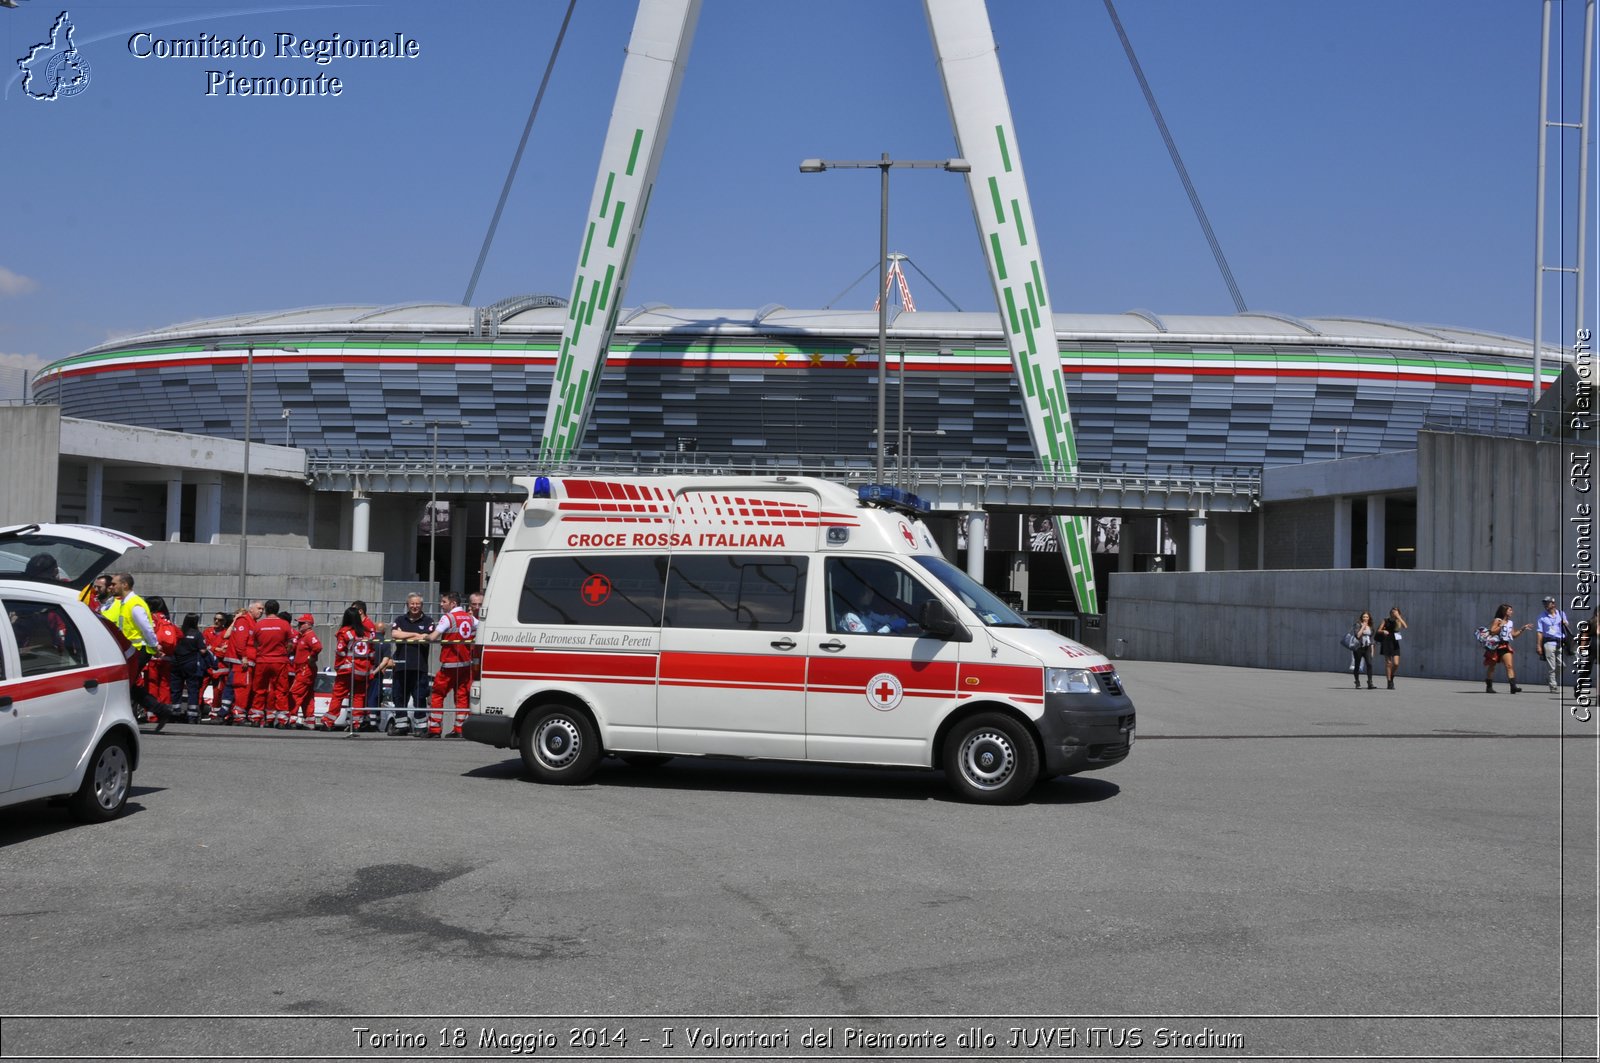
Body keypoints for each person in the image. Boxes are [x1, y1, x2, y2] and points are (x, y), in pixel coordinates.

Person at [99, 572, 175, 732]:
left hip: (138, 650)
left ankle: (132, 717)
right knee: (129, 685)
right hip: (131, 651)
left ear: (124, 585)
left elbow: (146, 628)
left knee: (124, 684)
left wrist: (154, 647)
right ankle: (161, 710)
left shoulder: (134, 603)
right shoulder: (126, 603)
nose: (111, 586)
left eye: (114, 584)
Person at [423, 591, 477, 737]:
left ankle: (434, 729)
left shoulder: (448, 618)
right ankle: (459, 729)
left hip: (449, 665)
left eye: (444, 602)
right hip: (465, 665)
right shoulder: (470, 618)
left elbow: (433, 636)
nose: (441, 604)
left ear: (453, 603)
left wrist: (423, 636)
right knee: (461, 697)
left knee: (437, 694)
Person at [325, 606, 373, 730]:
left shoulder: (345, 632)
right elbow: (372, 652)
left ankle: (328, 721)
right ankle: (356, 723)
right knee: (359, 696)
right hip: (363, 670)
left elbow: (340, 651)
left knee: (338, 695)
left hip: (347, 669)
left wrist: (338, 667)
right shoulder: (367, 632)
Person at [389, 593, 433, 715]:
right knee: (399, 698)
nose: (415, 606)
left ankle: (421, 727)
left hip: (419, 667)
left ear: (422, 605)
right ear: (407, 605)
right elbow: (394, 634)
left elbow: (426, 638)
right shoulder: (400, 620)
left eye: (417, 603)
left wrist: (405, 635)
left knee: (419, 698)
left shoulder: (428, 621)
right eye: (412, 603)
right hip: (401, 666)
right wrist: (416, 635)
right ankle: (401, 726)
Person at [253, 600, 294, 726]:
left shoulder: (258, 625)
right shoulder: (285, 624)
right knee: (281, 689)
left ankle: (256, 717)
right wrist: (283, 653)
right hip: (280, 661)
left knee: (259, 689)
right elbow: (290, 644)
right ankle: (282, 719)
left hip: (262, 660)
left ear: (265, 610)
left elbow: (255, 643)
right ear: (277, 610)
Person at [1484, 603, 1531, 694]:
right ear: (1504, 611)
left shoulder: (1510, 622)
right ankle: (1489, 686)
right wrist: (1501, 625)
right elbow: (1492, 631)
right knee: (1492, 667)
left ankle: (1513, 686)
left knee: (1509, 666)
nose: (1512, 612)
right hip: (1495, 646)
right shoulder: (1497, 620)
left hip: (1505, 645)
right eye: (1510, 610)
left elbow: (1513, 635)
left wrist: (1522, 629)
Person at [289, 614, 323, 727]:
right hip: (302, 668)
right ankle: (309, 719)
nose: (299, 625)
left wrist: (311, 657)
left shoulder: (309, 635)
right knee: (307, 695)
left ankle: (292, 717)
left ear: (308, 625)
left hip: (305, 669)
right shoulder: (302, 636)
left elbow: (318, 647)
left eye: (301, 623)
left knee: (295, 693)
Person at [172, 613, 206, 722]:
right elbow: (203, 650)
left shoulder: (178, 632)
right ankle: (192, 716)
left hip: (176, 663)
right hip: (191, 664)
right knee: (193, 690)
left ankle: (175, 713)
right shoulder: (197, 634)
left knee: (176, 689)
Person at [1535, 595, 1571, 693]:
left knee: (1562, 665)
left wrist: (1564, 622)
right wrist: (1538, 645)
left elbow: (1567, 624)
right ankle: (1553, 685)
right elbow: (1539, 632)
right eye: (1544, 603)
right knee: (1552, 666)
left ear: (1553, 604)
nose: (1545, 605)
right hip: (1548, 642)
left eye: (1547, 603)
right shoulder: (1541, 616)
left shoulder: (1561, 613)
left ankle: (1550, 678)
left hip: (1559, 641)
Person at [202, 611, 233, 721]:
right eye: (215, 619)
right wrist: (216, 648)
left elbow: (224, 652)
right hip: (206, 666)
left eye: (220, 620)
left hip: (220, 668)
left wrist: (211, 648)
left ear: (224, 622)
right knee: (200, 689)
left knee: (218, 691)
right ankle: (198, 710)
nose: (216, 621)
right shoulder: (207, 632)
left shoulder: (227, 634)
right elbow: (203, 648)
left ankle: (215, 713)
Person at [1375, 606, 1407, 690]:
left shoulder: (1398, 620)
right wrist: (1383, 631)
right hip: (1386, 641)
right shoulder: (1386, 620)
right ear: (1390, 613)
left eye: (1396, 612)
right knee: (1388, 663)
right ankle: (1389, 682)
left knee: (1396, 664)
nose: (1394, 613)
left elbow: (1405, 626)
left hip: (1395, 642)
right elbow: (1378, 630)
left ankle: (1391, 675)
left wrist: (1399, 617)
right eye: (1393, 612)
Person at [1347, 610, 1375, 689]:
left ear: (1369, 618)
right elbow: (1358, 636)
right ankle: (1357, 682)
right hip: (1358, 647)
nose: (1365, 618)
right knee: (1357, 665)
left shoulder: (1371, 627)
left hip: (1367, 647)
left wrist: (1372, 650)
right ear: (1361, 618)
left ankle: (1370, 682)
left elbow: (1372, 638)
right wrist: (1363, 627)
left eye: (1367, 617)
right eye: (1364, 617)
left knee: (1369, 664)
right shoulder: (1358, 625)